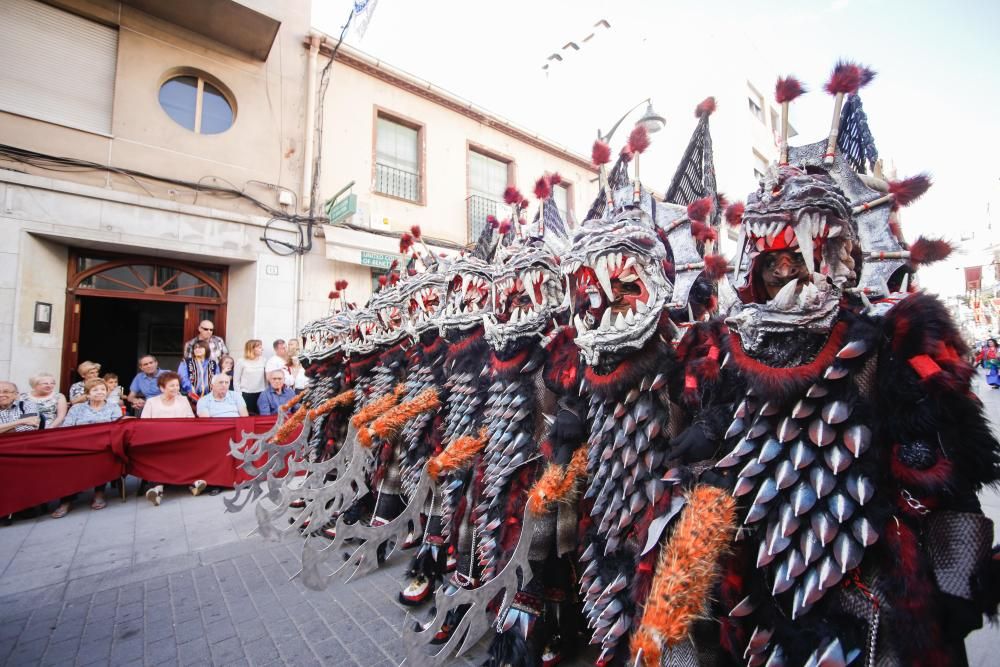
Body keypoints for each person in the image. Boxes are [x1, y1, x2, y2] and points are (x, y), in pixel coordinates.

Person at [52, 377, 122, 517]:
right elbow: (67, 428)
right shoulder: (77, 408)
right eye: (95, 390)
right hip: (79, 446)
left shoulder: (113, 407)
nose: (99, 392)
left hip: (103, 446)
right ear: (88, 394)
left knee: (102, 458)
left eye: (103, 389)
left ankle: (99, 493)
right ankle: (67, 500)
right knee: (68, 463)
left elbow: (117, 428)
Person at [139, 371, 196, 505]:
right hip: (158, 439)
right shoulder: (151, 402)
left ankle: (192, 482)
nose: (176, 388)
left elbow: (191, 420)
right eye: (171, 386)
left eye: (177, 385)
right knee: (157, 454)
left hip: (180, 438)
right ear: (162, 388)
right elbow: (144, 423)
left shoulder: (183, 400)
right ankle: (158, 488)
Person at [178, 340, 220, 406]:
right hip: (189, 397)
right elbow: (183, 378)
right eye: (195, 348)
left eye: (200, 347)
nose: (197, 349)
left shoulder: (213, 363)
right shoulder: (186, 362)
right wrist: (192, 392)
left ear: (206, 349)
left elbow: (217, 379)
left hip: (210, 398)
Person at [234, 339, 266, 416]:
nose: (262, 349)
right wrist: (239, 395)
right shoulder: (241, 361)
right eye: (259, 347)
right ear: (252, 349)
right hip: (246, 394)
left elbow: (266, 378)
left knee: (260, 416)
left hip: (261, 393)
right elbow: (236, 380)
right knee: (248, 417)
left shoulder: (264, 360)